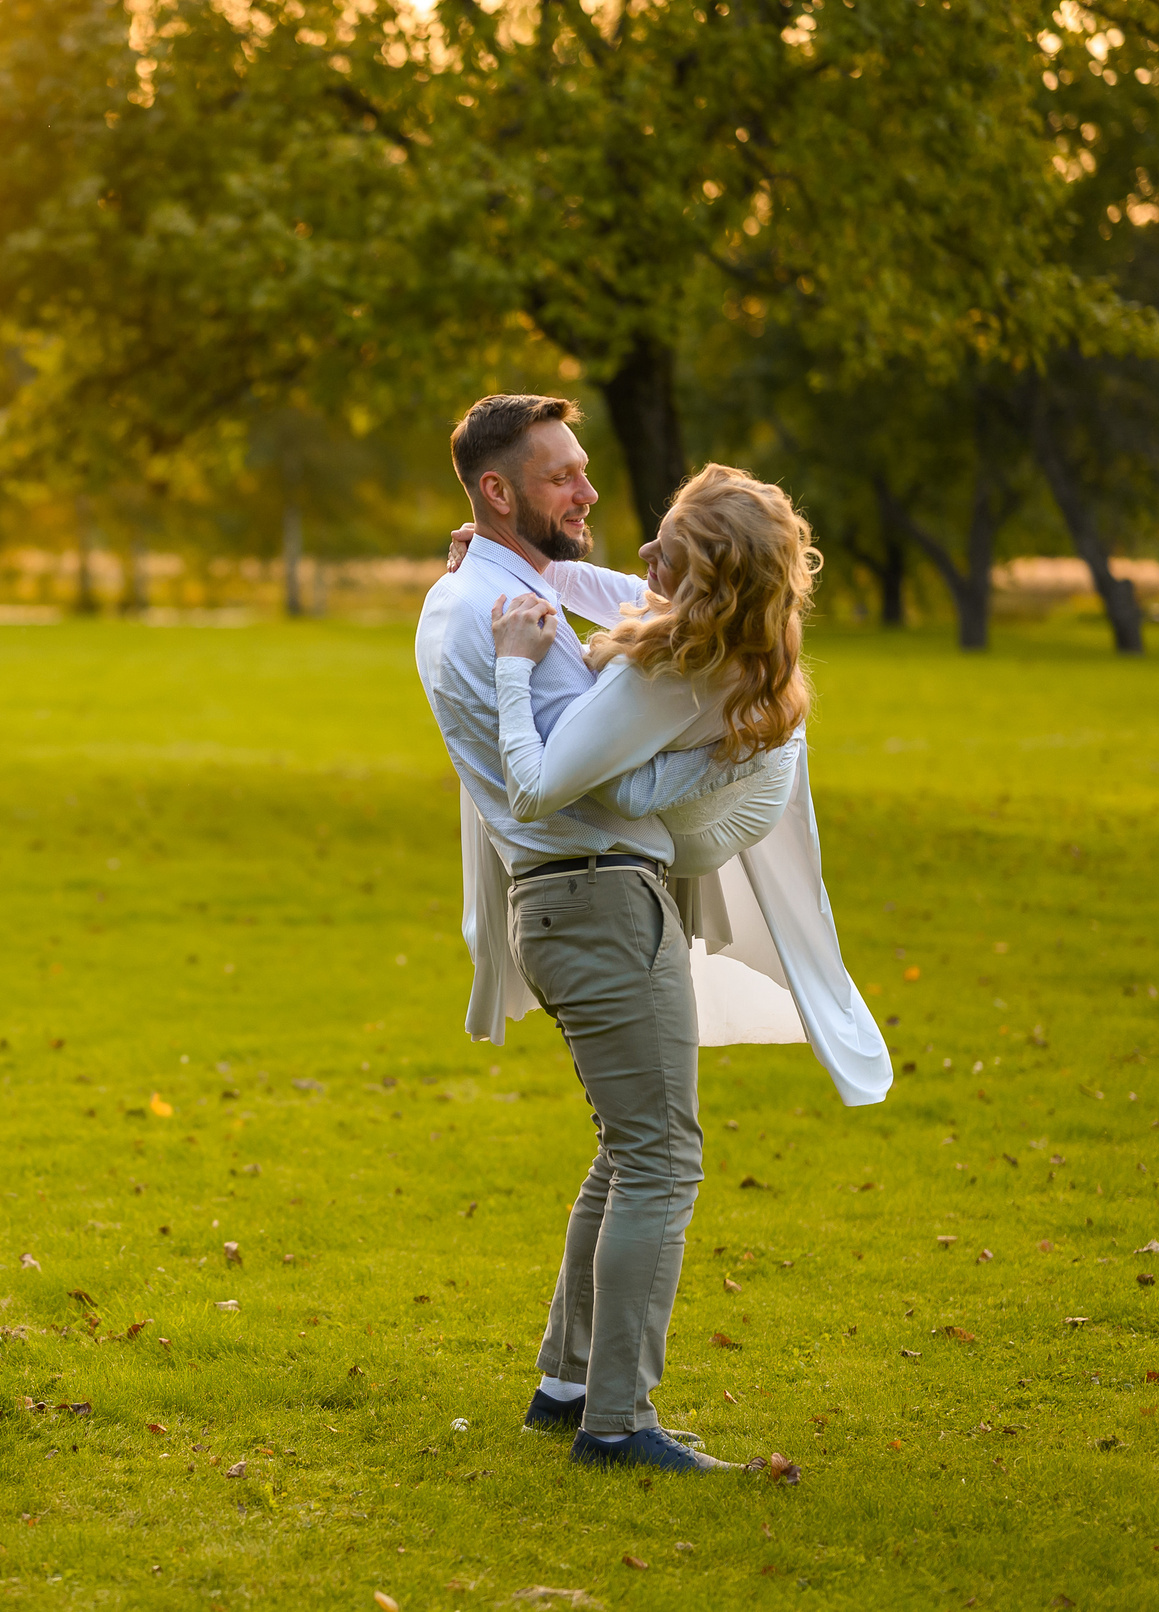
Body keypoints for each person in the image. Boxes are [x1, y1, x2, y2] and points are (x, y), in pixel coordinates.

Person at [414, 395, 766, 1474]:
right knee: (662, 1156)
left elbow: (609, 605)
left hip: (580, 897)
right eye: (563, 475)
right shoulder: (493, 613)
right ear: (497, 489)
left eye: (583, 468)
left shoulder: (491, 588)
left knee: (627, 1150)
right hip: (597, 896)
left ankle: (568, 1385)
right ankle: (618, 1421)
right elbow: (562, 773)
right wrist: (723, 754)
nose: (590, 491)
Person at [484, 463, 893, 1096]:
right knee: (633, 644)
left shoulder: (690, 671)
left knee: (620, 786)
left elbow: (538, 792)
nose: (647, 551)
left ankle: (743, 752)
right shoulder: (726, 616)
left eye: (667, 554)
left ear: (708, 587)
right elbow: (624, 590)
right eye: (659, 534)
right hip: (745, 742)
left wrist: (512, 667)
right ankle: (736, 745)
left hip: (726, 818)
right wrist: (501, 550)